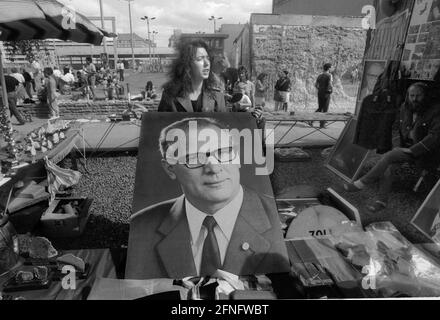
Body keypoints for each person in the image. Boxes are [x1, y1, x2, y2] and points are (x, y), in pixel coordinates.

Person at [125, 117, 290, 279]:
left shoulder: (281, 220)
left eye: (223, 152)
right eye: (194, 158)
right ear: (170, 168)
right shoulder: (141, 227)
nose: (214, 168)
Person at [343, 83, 440, 212]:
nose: (415, 99)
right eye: (412, 95)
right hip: (405, 149)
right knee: (389, 166)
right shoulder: (405, 108)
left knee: (390, 156)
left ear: (425, 96)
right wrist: (399, 147)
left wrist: (413, 150)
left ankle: (362, 183)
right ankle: (381, 201)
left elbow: (435, 136)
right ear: (407, 96)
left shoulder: (436, 111)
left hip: (427, 153)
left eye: (418, 96)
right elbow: (396, 129)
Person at [158, 39, 227, 112]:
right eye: (200, 59)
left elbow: (223, 123)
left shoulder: (218, 97)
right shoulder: (170, 96)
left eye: (208, 58)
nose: (207, 63)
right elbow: (161, 123)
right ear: (187, 64)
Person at [314, 63, 334, 128]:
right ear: (329, 68)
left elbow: (316, 85)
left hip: (320, 93)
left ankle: (312, 119)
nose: (332, 68)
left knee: (320, 108)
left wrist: (320, 89)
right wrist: (331, 90)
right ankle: (322, 124)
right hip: (326, 93)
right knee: (325, 109)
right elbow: (330, 84)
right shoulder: (329, 75)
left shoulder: (320, 75)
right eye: (331, 67)